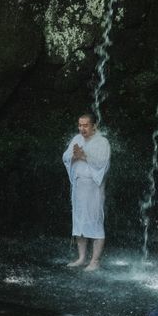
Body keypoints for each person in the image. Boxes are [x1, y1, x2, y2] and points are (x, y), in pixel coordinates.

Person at [62, 113, 111, 271]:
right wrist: (73, 156)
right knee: (79, 222)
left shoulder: (102, 142)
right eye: (80, 125)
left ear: (94, 126)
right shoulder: (76, 139)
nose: (82, 128)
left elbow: (102, 162)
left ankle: (95, 261)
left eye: (85, 125)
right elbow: (65, 157)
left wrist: (84, 156)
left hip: (94, 187)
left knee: (95, 221)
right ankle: (82, 257)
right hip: (78, 186)